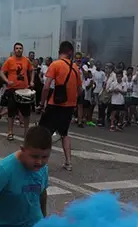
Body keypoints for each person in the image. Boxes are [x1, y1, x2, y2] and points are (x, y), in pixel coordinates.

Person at [39, 40, 80, 171]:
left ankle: (39, 160)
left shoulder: (55, 65)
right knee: (64, 133)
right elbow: (80, 89)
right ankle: (68, 162)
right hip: (69, 106)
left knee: (44, 132)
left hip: (55, 104)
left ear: (59, 51)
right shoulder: (75, 67)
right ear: (70, 53)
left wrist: (41, 103)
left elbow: (46, 87)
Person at [0, 42, 34, 141]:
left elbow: (32, 71)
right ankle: (10, 132)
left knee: (26, 113)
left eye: (20, 48)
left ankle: (26, 132)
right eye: (17, 48)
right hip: (13, 90)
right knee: (11, 113)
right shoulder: (10, 60)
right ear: (14, 50)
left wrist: (31, 81)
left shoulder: (26, 60)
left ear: (22, 50)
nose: (18, 50)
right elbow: (2, 72)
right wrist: (7, 81)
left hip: (24, 90)